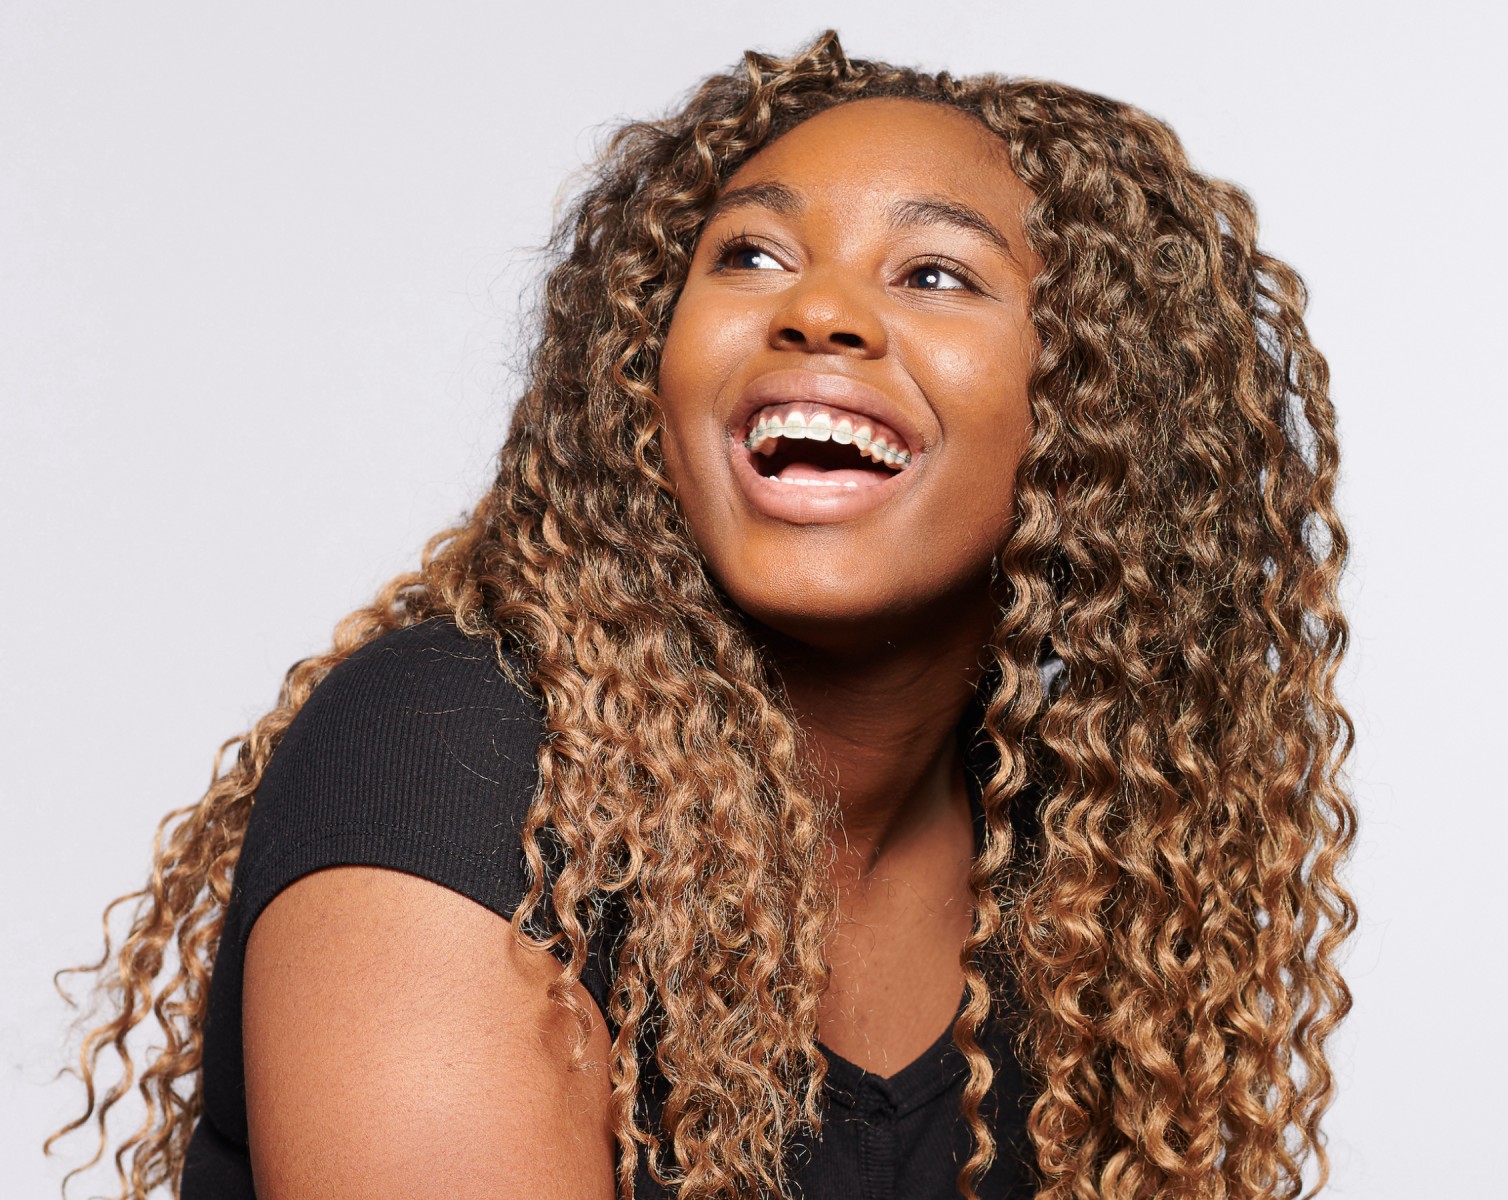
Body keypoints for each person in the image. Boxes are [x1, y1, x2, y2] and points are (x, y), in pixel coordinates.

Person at [48, 30, 1357, 1200]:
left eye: (937, 274)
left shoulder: (1088, 886)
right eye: (750, 253)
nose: (820, 311)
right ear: (644, 381)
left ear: (1097, 427)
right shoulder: (450, 761)